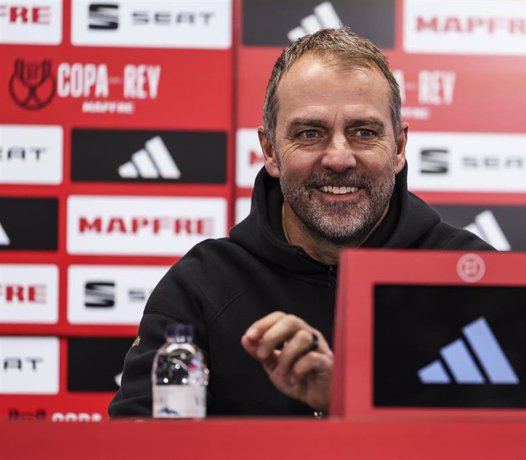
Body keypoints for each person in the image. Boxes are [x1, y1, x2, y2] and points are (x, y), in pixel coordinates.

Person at [109, 27, 492, 418]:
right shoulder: (202, 287)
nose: (339, 159)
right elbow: (136, 443)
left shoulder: (474, 277)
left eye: (364, 132)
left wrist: (346, 399)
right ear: (271, 151)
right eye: (310, 133)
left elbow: (518, 438)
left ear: (398, 148)